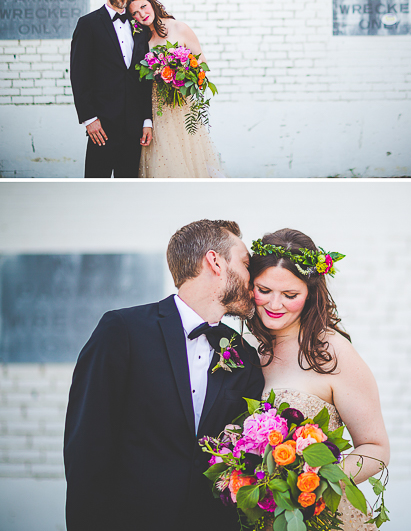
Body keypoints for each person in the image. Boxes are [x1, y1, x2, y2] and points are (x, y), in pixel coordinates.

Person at [64, 220, 264, 531]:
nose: (253, 279)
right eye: (245, 263)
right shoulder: (123, 331)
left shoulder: (245, 355)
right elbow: (87, 446)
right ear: (214, 262)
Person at [247, 228, 389, 530]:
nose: (274, 305)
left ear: (310, 294)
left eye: (290, 295)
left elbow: (376, 449)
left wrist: (311, 483)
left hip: (323, 517)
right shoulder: (248, 354)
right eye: (264, 290)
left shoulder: (331, 351)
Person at [128, 0, 226, 177]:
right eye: (135, 13)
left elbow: (201, 63)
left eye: (144, 6)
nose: (141, 14)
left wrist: (181, 78)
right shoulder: (141, 38)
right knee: (161, 160)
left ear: (152, 4)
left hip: (180, 106)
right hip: (156, 108)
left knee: (187, 157)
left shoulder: (179, 28)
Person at [69, 0, 152, 177]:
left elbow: (144, 79)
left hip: (134, 126)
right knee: (96, 186)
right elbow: (79, 75)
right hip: (102, 126)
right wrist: (89, 119)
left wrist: (146, 120)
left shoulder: (140, 27)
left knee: (129, 188)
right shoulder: (88, 24)